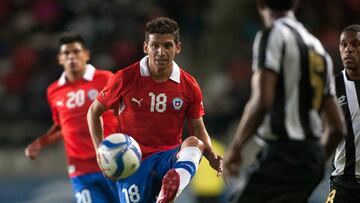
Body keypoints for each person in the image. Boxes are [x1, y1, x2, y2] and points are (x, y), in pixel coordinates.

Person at [87, 17, 223, 203]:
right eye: (155, 45)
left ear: (178, 47)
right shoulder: (125, 78)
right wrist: (99, 152)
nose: (161, 52)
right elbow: (94, 112)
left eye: (167, 46)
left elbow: (198, 128)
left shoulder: (188, 85)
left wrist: (211, 156)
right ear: (146, 47)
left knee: (194, 143)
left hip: (167, 159)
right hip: (133, 161)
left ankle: (170, 188)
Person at [222, 0, 347, 202]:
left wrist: (235, 148)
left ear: (260, 4)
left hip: (283, 154)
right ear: (295, 5)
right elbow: (337, 128)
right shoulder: (317, 48)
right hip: (312, 157)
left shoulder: (273, 35)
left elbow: (262, 101)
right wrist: (312, 166)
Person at [24, 32, 119, 203]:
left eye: (76, 51)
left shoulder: (106, 79)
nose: (72, 57)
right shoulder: (54, 91)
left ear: (86, 55)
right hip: (81, 171)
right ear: (60, 59)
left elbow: (126, 113)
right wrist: (41, 142)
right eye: (66, 53)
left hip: (113, 162)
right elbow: (62, 126)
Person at [325, 24, 360, 203]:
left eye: (355, 44)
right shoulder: (330, 88)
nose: (349, 50)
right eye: (343, 45)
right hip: (344, 185)